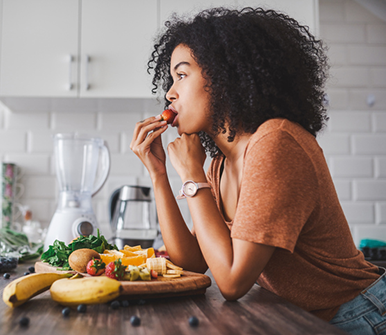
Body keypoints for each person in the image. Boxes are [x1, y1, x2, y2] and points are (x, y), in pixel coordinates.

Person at [130, 7, 385, 334]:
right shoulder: (221, 164)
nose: (170, 92)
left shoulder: (275, 143)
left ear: (225, 76)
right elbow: (192, 263)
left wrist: (193, 175)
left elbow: (233, 282)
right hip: (303, 319)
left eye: (182, 75)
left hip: (363, 317)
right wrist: (159, 175)